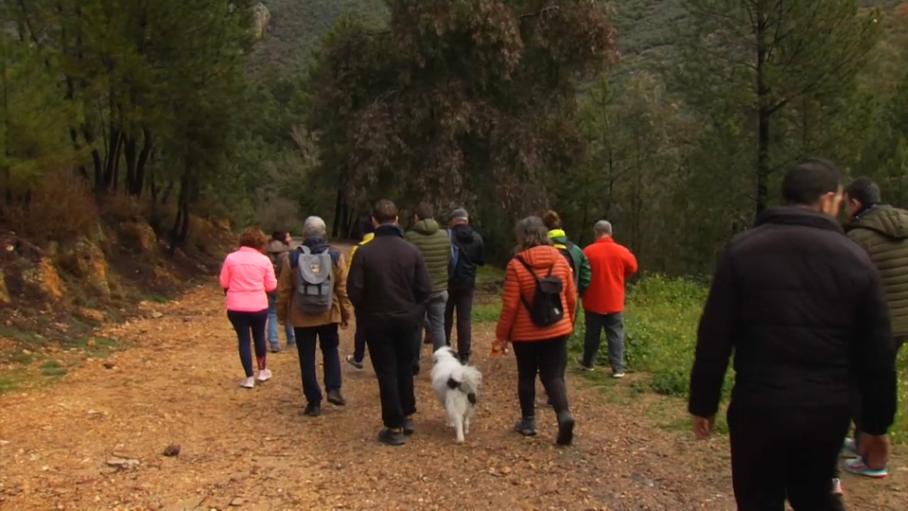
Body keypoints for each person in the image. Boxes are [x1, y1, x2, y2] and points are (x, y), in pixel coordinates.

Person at [688, 160, 897, 511]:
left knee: (757, 499)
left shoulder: (741, 251)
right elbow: (875, 353)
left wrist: (703, 403)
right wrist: (875, 425)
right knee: (815, 497)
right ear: (828, 200)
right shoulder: (855, 259)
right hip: (825, 412)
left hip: (757, 407)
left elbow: (714, 336)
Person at [347, 199, 431, 446]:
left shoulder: (364, 252)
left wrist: (365, 311)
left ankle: (394, 426)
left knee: (386, 371)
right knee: (405, 367)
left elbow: (354, 290)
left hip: (377, 320)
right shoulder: (411, 251)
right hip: (407, 319)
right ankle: (406, 415)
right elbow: (425, 289)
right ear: (397, 219)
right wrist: (416, 313)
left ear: (374, 221)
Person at [841, 177, 908, 478]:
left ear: (855, 203)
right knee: (875, 382)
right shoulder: (904, 223)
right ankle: (862, 442)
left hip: (880, 324)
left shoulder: (859, 238)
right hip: (903, 319)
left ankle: (874, 458)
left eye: (846, 204)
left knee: (865, 385)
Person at [494, 216, 578, 445]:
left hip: (525, 332)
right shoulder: (560, 261)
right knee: (553, 376)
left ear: (521, 236)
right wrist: (570, 322)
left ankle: (529, 422)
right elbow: (571, 297)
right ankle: (563, 414)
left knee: (527, 375)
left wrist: (502, 335)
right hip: (557, 328)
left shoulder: (516, 264)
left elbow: (510, 305)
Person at [277, 217, 353, 417]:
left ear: (304, 234)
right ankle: (334, 388)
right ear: (324, 233)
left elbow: (284, 290)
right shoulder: (336, 256)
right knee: (330, 350)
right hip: (328, 313)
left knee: (307, 358)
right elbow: (342, 289)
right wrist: (346, 313)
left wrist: (282, 316)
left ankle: (313, 402)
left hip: (301, 316)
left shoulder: (292, 258)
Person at [219, 227, 277, 389]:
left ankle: (249, 377)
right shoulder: (264, 261)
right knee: (259, 337)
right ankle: (262, 370)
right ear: (260, 243)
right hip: (258, 305)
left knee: (243, 340)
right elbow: (271, 285)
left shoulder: (230, 258)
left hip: (236, 306)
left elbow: (224, 282)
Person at [579, 220, 638, 377]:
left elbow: (581, 273)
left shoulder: (587, 251)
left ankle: (588, 363)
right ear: (611, 232)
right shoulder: (621, 251)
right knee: (616, 334)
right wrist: (621, 276)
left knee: (592, 334)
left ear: (596, 232)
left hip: (593, 300)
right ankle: (618, 368)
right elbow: (633, 267)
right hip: (614, 300)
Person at [405, 202, 451, 372]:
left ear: (417, 217)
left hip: (417, 290)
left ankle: (414, 362)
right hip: (439, 287)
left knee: (416, 326)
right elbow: (449, 259)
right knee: (439, 326)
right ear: (433, 216)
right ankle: (441, 364)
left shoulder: (410, 236)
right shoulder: (444, 235)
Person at [445, 208, 485, 363]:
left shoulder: (448, 236)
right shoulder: (477, 238)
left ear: (454, 220)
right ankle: (464, 354)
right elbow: (480, 260)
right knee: (464, 319)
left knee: (446, 317)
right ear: (466, 220)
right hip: (467, 283)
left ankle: (445, 350)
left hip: (449, 281)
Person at [345, 216, 375, 371]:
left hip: (364, 297)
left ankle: (358, 357)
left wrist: (354, 299)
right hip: (385, 296)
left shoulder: (358, 248)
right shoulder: (386, 244)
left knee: (362, 328)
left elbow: (350, 274)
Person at [542, 210, 591, 297]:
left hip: (546, 300)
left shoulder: (538, 249)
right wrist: (578, 291)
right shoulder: (576, 250)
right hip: (570, 297)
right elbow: (586, 276)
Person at [265, 231, 295, 352]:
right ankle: (291, 338)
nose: (291, 238)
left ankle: (274, 342)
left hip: (270, 286)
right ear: (284, 239)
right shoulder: (288, 253)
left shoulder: (266, 251)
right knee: (288, 312)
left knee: (272, 314)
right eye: (288, 236)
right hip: (284, 286)